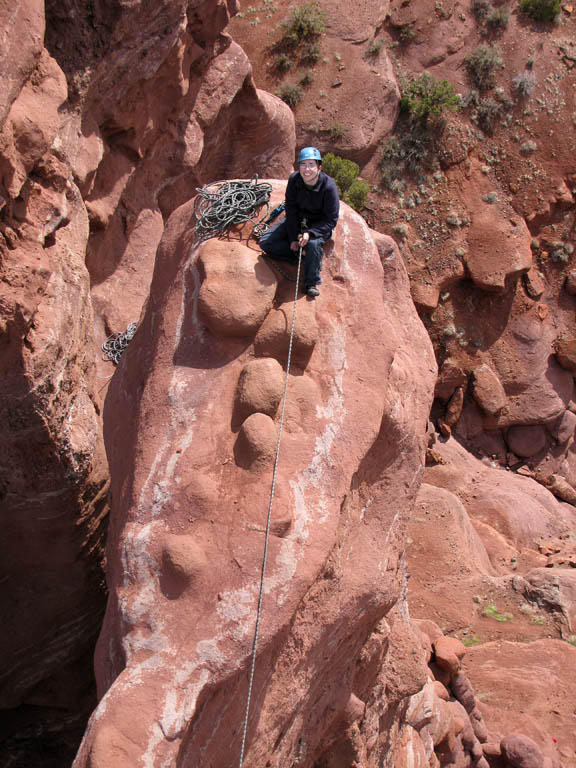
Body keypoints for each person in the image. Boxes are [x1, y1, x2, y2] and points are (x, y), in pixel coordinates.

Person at [259, 147, 339, 297]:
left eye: (311, 165)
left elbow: (331, 220)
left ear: (319, 167)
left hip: (319, 225)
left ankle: (311, 282)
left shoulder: (329, 187)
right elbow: (291, 210)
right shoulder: (294, 180)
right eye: (303, 165)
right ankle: (301, 256)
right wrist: (293, 237)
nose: (306, 169)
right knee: (265, 243)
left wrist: (310, 233)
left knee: (314, 244)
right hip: (298, 219)